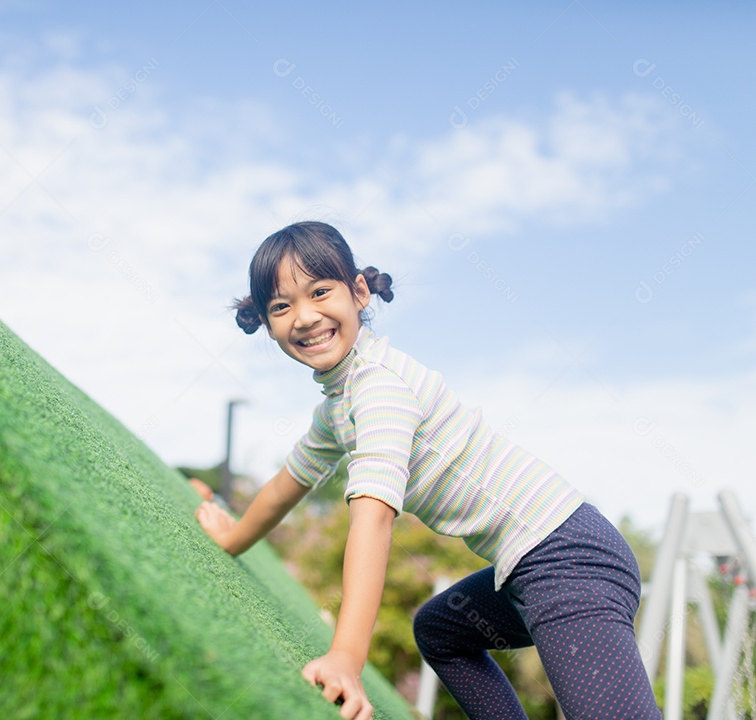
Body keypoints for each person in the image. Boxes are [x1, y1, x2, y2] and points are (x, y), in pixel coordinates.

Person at [193, 221, 661, 720]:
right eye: (282, 306)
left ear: (358, 292)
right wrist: (233, 538)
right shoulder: (339, 403)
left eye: (320, 292)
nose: (305, 317)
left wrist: (346, 658)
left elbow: (372, 518)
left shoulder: (379, 388)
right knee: (442, 630)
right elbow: (290, 483)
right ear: (266, 323)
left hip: (567, 557)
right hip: (528, 564)